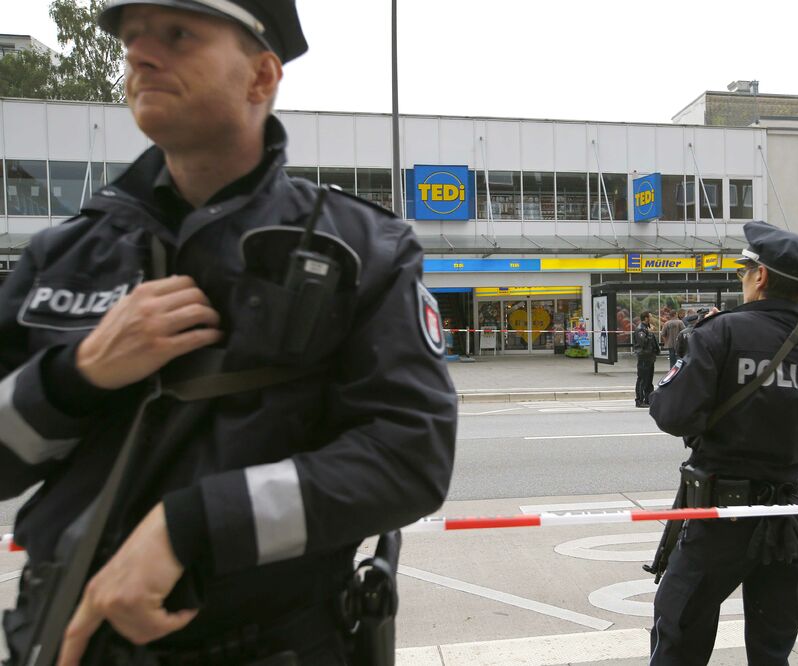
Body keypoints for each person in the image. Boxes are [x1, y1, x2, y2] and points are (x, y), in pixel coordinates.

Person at [0, 2, 457, 664]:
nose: (140, 55)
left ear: (261, 78)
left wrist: (193, 526)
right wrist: (76, 375)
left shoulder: (362, 250)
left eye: (178, 35)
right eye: (133, 38)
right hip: (65, 639)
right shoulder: (61, 255)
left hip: (276, 643)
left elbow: (407, 459)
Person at [647, 221, 798, 665]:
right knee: (773, 650)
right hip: (787, 519)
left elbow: (671, 414)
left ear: (759, 276)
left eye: (743, 271)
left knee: (679, 637)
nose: (742, 279)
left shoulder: (719, 332)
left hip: (721, 519)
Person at [634, 311, 660, 408]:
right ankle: (639, 400)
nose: (652, 319)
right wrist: (649, 333)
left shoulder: (647, 328)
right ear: (646, 318)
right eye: (650, 317)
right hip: (644, 357)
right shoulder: (640, 329)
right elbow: (643, 343)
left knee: (649, 380)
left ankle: (648, 400)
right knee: (642, 379)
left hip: (650, 357)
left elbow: (652, 342)